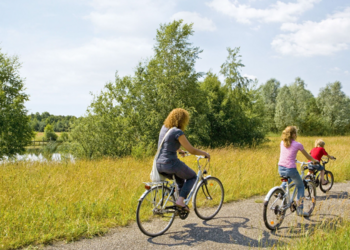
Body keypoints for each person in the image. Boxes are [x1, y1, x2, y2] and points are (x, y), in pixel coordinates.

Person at [156, 108, 210, 211]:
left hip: (159, 164)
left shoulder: (164, 128)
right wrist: (205, 154)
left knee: (180, 180)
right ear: (183, 120)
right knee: (193, 177)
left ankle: (178, 206)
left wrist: (179, 150)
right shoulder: (177, 132)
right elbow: (192, 150)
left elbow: (166, 144)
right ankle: (180, 201)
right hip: (170, 164)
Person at [278, 126, 318, 217]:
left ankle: (280, 190)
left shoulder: (282, 142)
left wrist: (294, 159)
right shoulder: (297, 144)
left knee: (287, 180)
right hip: (290, 169)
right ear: (294, 134)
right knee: (300, 186)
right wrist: (314, 161)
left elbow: (287, 154)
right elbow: (308, 157)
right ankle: (300, 210)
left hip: (280, 168)